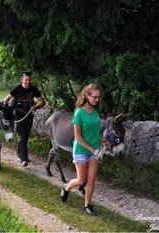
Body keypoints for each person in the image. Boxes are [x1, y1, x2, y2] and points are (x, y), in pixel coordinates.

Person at [60, 83, 108, 216]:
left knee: (91, 180)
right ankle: (66, 187)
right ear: (87, 96)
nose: (97, 100)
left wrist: (103, 140)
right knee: (82, 181)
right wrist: (92, 150)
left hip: (95, 151)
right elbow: (78, 137)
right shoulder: (79, 113)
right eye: (94, 97)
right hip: (81, 150)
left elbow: (95, 131)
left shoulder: (95, 112)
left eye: (99, 97)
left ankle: (87, 205)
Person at [3, 72, 45, 167]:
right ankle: (23, 159)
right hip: (18, 117)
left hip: (29, 117)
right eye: (25, 80)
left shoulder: (34, 89)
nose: (27, 82)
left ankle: (20, 154)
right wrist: (7, 112)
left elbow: (43, 102)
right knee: (23, 137)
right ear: (22, 80)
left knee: (25, 137)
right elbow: (6, 99)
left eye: (29, 80)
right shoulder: (17, 89)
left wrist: (36, 107)